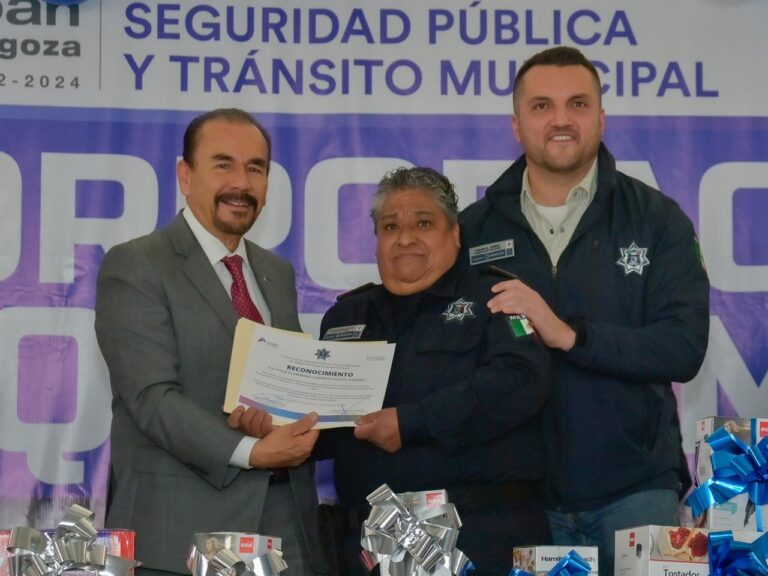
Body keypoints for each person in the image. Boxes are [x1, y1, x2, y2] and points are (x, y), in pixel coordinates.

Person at [459, 47, 710, 576]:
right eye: (542, 106)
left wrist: (570, 335)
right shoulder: (474, 229)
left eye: (577, 103)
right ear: (516, 124)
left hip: (638, 495)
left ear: (601, 116)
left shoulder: (658, 220)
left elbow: (684, 347)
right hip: (516, 503)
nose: (561, 120)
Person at [94, 108, 328, 576]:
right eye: (223, 164)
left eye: (256, 168)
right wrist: (250, 451)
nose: (241, 183)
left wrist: (299, 414)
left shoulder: (275, 273)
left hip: (288, 528)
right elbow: (151, 398)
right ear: (185, 175)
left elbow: (282, 384)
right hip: (180, 536)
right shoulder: (137, 265)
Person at [319, 167, 552, 575]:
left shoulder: (497, 298)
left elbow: (520, 381)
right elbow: (326, 423)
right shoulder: (344, 317)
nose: (405, 237)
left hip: (479, 539)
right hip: (370, 550)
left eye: (423, 223)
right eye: (390, 226)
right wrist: (275, 423)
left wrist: (412, 422)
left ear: (456, 234)